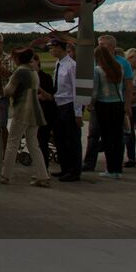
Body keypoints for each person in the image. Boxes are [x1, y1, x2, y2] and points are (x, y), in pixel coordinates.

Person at [0, 48, 50, 187]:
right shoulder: (33, 71)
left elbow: (8, 90)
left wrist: (1, 89)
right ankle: (42, 176)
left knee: (12, 143)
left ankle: (6, 175)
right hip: (35, 111)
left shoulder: (20, 71)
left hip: (23, 110)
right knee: (33, 144)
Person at [89, 42, 130, 179]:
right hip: (118, 103)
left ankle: (110, 168)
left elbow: (95, 92)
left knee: (107, 138)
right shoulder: (119, 67)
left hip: (104, 105)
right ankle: (117, 169)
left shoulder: (98, 70)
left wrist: (90, 104)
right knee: (117, 138)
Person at [48, 39, 83, 181]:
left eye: (52, 48)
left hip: (69, 104)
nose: (50, 51)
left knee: (71, 140)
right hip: (59, 105)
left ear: (59, 48)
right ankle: (65, 167)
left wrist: (78, 112)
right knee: (60, 139)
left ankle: (74, 170)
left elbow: (76, 90)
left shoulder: (71, 66)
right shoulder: (59, 64)